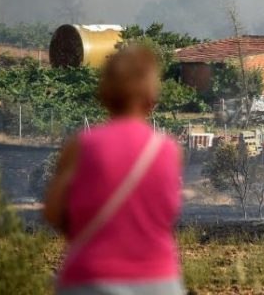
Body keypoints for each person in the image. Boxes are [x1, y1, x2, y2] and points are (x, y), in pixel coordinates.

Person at [44, 46, 184, 295]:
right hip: (158, 281)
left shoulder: (81, 146)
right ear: (151, 95)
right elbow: (168, 214)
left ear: (103, 93)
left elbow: (53, 213)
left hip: (90, 279)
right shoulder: (168, 149)